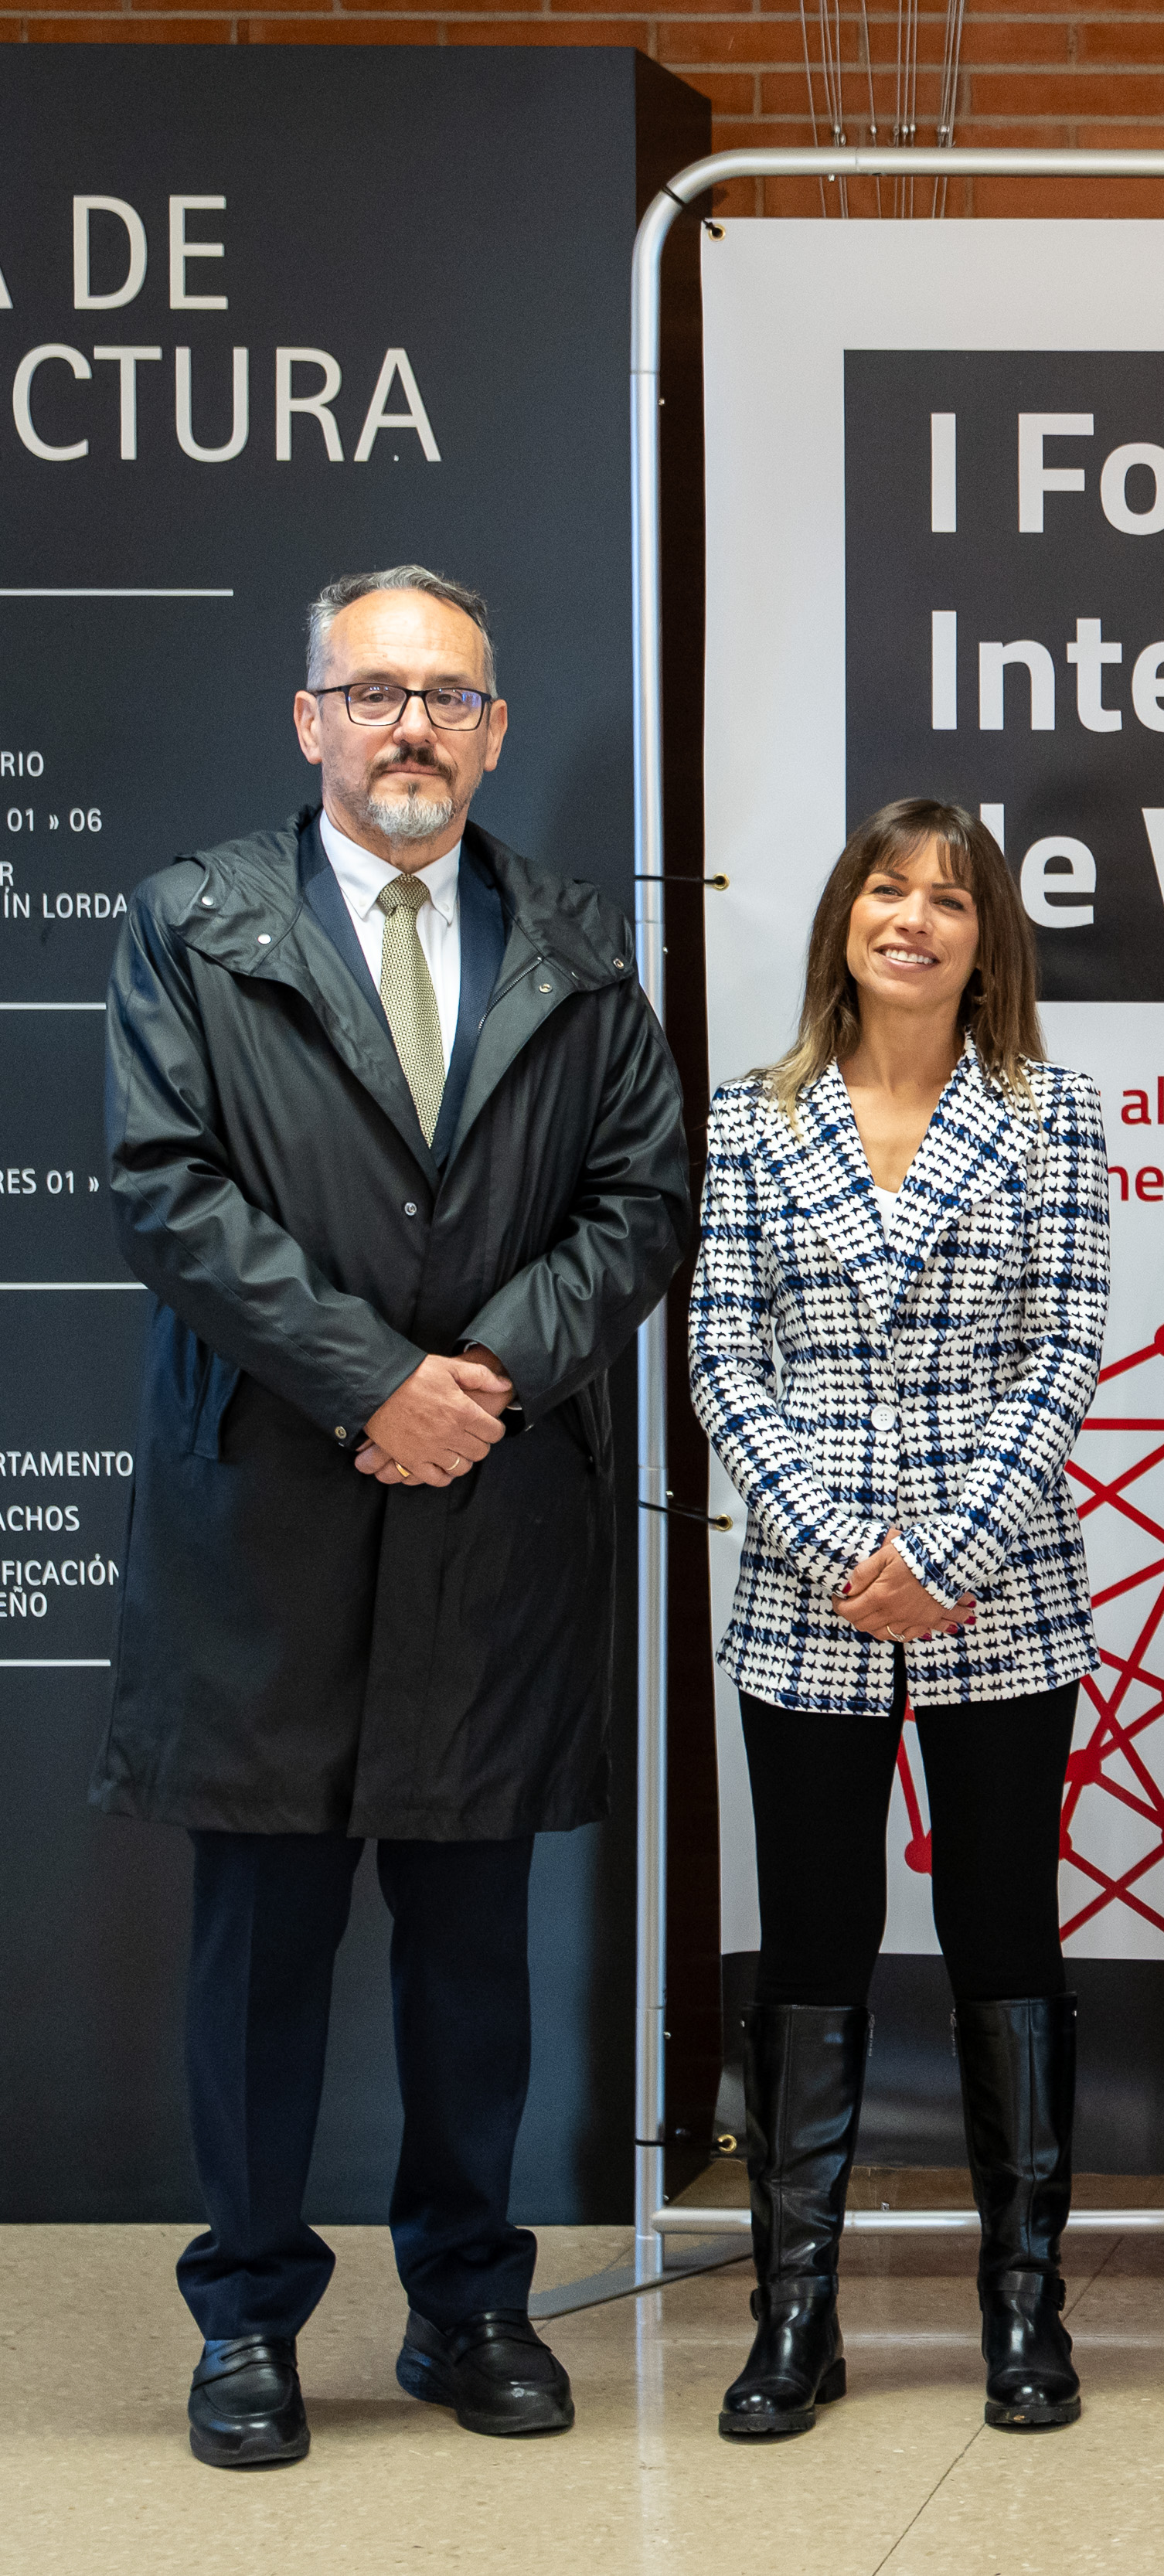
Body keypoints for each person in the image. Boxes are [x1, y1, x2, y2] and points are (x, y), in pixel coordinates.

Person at [91, 566, 691, 2470]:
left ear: (496, 730)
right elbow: (169, 1188)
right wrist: (376, 1381)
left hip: (492, 1521)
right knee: (260, 1957)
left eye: (447, 695)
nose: (410, 725)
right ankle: (248, 2319)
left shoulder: (581, 946)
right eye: (373, 692)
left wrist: (482, 1377)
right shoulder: (192, 925)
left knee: (469, 1956)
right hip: (269, 1518)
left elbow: (640, 1202)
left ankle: (470, 2302)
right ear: (310, 722)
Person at [685, 798, 1111, 2439]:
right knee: (812, 1939)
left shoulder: (1051, 1111)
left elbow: (1065, 1349)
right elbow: (722, 1355)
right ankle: (794, 2313)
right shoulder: (754, 1114)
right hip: (811, 1596)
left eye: (950, 898)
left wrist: (949, 1548)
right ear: (843, 919)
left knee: (1006, 1928)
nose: (913, 919)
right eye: (886, 888)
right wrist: (836, 1544)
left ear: (987, 940)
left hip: (996, 1588)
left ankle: (1024, 2309)